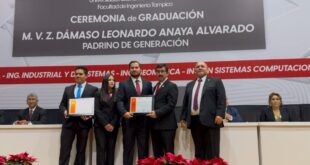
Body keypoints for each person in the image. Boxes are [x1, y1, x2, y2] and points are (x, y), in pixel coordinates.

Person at [180, 61, 226, 160]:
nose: (200, 68)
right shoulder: (190, 84)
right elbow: (185, 103)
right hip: (194, 121)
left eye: (202, 66)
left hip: (211, 120)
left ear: (207, 69)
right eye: (197, 67)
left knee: (212, 152)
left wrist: (220, 115)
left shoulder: (216, 81)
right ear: (194, 70)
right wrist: (183, 118)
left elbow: (221, 99)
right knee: (199, 151)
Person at [58, 66, 98, 165]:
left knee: (81, 151)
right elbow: (62, 104)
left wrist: (90, 115)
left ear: (86, 76)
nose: (77, 76)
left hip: (84, 124)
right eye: (76, 74)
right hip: (68, 124)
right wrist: (65, 111)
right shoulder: (67, 89)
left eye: (80, 74)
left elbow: (96, 107)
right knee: (64, 150)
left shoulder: (93, 89)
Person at [117, 61, 152, 165]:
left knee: (143, 149)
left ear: (140, 69)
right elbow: (119, 101)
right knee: (128, 149)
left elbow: (150, 100)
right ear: (129, 70)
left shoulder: (148, 84)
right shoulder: (123, 84)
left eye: (136, 67)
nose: (134, 69)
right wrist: (124, 113)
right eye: (132, 68)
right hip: (128, 121)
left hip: (144, 121)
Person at [146, 64, 178, 158]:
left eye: (162, 71)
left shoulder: (172, 86)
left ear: (167, 73)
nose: (160, 73)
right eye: (158, 71)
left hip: (167, 126)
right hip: (154, 125)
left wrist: (157, 113)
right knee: (157, 154)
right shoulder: (155, 87)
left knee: (169, 153)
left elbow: (171, 104)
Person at [94, 74, 119, 165]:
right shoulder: (98, 93)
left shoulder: (118, 92)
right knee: (101, 148)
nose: (112, 81)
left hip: (113, 126)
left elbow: (118, 111)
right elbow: (96, 110)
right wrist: (105, 124)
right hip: (100, 126)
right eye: (109, 80)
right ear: (105, 81)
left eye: (113, 80)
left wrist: (112, 124)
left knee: (111, 149)